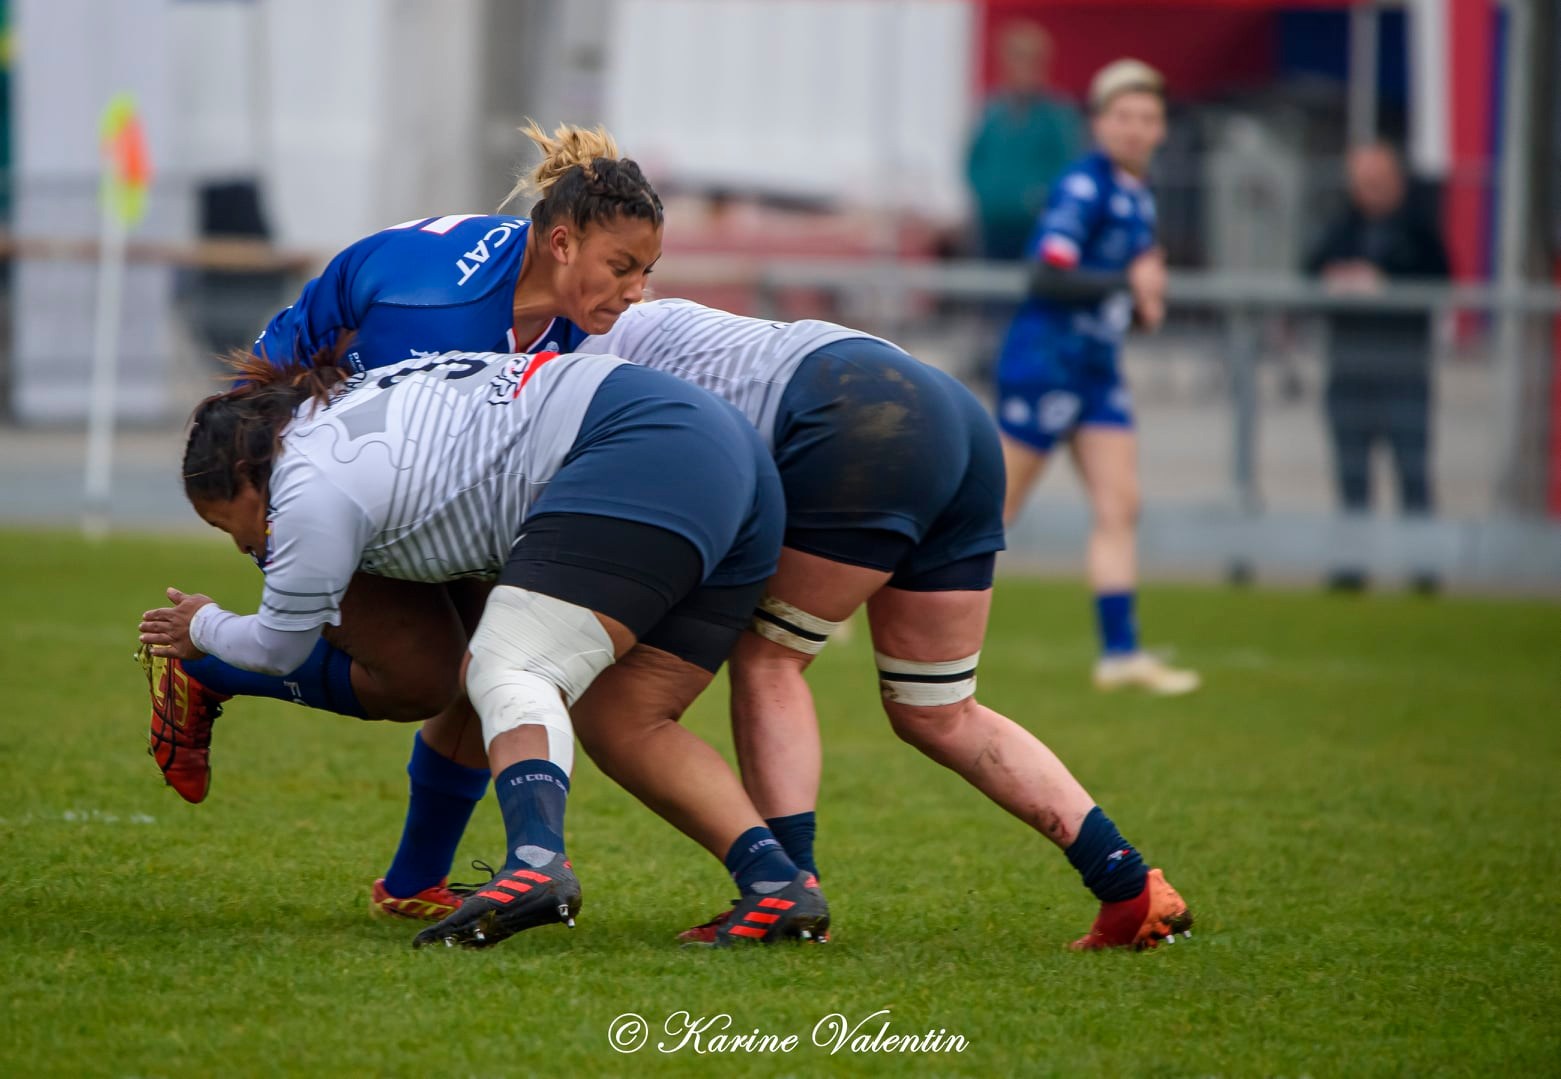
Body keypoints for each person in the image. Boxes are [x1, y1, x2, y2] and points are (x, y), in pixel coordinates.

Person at [138, 344, 829, 949]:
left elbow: (281, 645)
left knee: (509, 664)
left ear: (247, 471)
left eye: (237, 526)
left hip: (640, 449)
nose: (248, 546)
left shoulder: (307, 486)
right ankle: (774, 883)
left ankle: (535, 862)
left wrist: (201, 626)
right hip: (729, 454)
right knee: (628, 720)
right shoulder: (343, 403)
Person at [140, 124, 663, 913]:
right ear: (561, 242)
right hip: (290, 472)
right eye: (622, 268)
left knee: (498, 649)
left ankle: (415, 880)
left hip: (393, 466)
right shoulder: (436, 310)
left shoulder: (552, 285)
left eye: (645, 272)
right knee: (424, 673)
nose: (634, 291)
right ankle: (207, 664)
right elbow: (356, 449)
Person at [995, 59, 1199, 696]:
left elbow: (1119, 294)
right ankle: (845, 603)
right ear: (1099, 123)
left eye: (1147, 117)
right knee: (988, 514)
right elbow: (1048, 275)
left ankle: (1119, 653)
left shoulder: (1138, 193)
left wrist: (1141, 308)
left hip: (1097, 369)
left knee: (1120, 506)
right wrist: (1127, 284)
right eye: (1122, 117)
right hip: (1047, 365)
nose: (1135, 129)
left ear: (1162, 127)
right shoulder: (1084, 187)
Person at [1305, 141, 1449, 593]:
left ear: (1396, 180)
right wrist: (1335, 279)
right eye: (1361, 180)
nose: (1369, 188)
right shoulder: (1341, 226)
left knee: (1412, 470)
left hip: (1404, 369)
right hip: (1348, 369)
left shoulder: (1418, 230)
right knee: (1351, 472)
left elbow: (1441, 280)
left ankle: (1423, 567)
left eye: (1377, 178)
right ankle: (1352, 565)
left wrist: (1385, 284)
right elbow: (1308, 269)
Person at [965, 21, 1081, 261]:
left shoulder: (1056, 115)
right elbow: (973, 160)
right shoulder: (992, 112)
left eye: (1030, 60)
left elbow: (1066, 163)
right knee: (992, 289)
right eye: (1016, 59)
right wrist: (988, 196)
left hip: (1036, 225)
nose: (1022, 68)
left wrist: (1036, 198)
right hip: (992, 223)